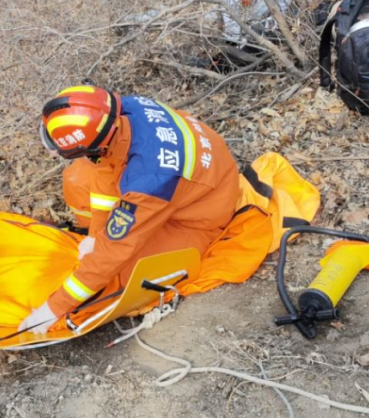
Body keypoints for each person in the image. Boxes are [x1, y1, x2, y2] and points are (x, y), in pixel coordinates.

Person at [20, 86, 239, 334]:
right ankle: (94, 245)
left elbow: (115, 251)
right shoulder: (119, 110)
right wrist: (95, 235)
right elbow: (105, 166)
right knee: (77, 178)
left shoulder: (151, 181)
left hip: (199, 216)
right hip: (195, 179)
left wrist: (52, 310)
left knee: (122, 275)